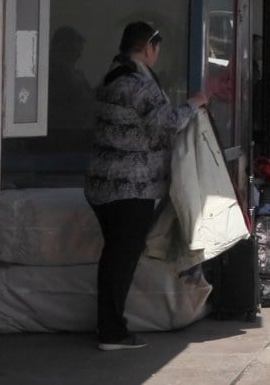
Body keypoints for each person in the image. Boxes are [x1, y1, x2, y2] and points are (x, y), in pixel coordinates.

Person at [85, 21, 208, 351]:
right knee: (120, 260)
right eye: (157, 49)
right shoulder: (139, 84)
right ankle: (112, 332)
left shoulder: (112, 76)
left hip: (102, 184)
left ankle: (108, 324)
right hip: (130, 187)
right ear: (149, 48)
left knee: (114, 257)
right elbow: (167, 127)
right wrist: (194, 104)